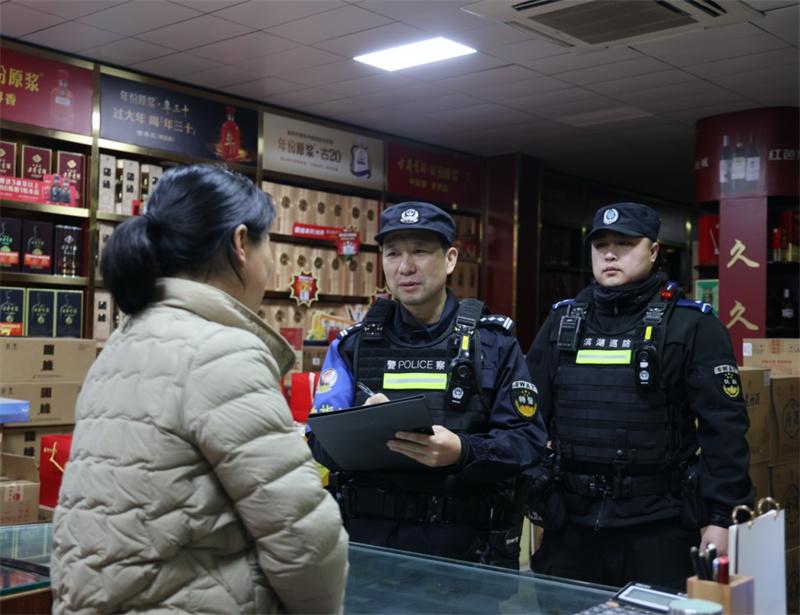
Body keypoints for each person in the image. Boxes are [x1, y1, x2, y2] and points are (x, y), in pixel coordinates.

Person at [50, 164, 348, 614]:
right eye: (270, 244)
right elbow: (303, 537)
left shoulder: (123, 342)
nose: (272, 264)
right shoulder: (220, 351)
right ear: (241, 243)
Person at [308, 201, 547, 568]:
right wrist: (357, 429)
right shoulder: (352, 346)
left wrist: (463, 451)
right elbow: (317, 439)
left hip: (465, 553)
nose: (405, 267)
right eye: (393, 253)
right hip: (371, 551)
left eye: (419, 251)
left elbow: (527, 440)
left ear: (450, 260)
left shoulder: (492, 343)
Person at [526, 202, 752, 589]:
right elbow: (526, 414)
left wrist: (721, 518)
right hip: (571, 524)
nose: (610, 254)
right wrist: (534, 486)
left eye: (625, 243)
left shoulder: (691, 325)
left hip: (659, 527)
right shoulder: (562, 321)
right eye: (601, 246)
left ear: (653, 251)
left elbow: (724, 431)